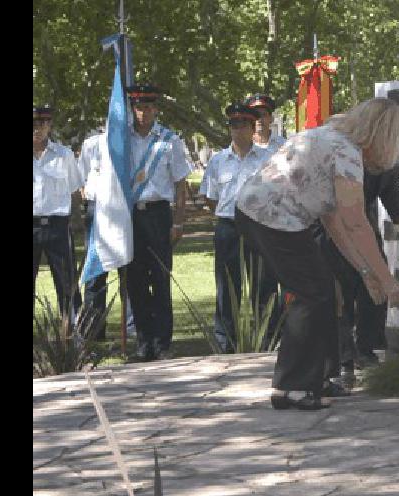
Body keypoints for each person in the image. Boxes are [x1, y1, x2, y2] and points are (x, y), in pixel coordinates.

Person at [234, 97, 399, 410]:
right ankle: (292, 388)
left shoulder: (330, 138)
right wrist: (388, 281)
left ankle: (319, 378)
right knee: (313, 295)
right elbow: (357, 224)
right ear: (382, 134)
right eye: (398, 139)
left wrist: (366, 273)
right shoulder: (347, 154)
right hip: (272, 218)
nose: (397, 149)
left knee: (324, 292)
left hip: (263, 214)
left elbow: (334, 221)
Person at [316, 157, 399, 386]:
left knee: (376, 288)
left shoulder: (389, 156)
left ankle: (366, 349)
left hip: (365, 224)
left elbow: (389, 188)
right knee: (341, 295)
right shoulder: (348, 152)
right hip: (334, 226)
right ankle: (344, 358)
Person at [122, 84, 193, 361]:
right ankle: (144, 342)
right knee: (135, 281)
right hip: (131, 216)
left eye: (149, 106)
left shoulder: (169, 140)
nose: (144, 112)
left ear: (156, 109)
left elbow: (180, 185)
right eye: (139, 107)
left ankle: (163, 343)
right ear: (132, 109)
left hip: (158, 214)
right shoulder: (121, 139)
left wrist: (178, 222)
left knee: (160, 279)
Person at [200, 102, 278, 353]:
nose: (238, 130)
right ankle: (226, 342)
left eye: (243, 124)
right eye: (233, 125)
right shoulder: (218, 161)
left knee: (263, 284)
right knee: (227, 285)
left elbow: (277, 193)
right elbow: (210, 197)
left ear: (252, 127)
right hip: (228, 227)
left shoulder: (268, 159)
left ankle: (268, 338)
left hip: (258, 226)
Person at [77, 128, 136, 340]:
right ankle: (93, 331)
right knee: (95, 274)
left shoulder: (130, 144)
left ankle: (130, 327)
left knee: (128, 274)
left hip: (123, 209)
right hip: (97, 210)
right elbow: (80, 179)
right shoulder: (91, 144)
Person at [33, 106, 85, 320]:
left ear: (49, 126)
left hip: (58, 226)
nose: (37, 129)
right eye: (33, 125)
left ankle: (74, 337)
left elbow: (75, 191)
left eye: (42, 124)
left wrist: (76, 221)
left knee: (67, 282)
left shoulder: (63, 155)